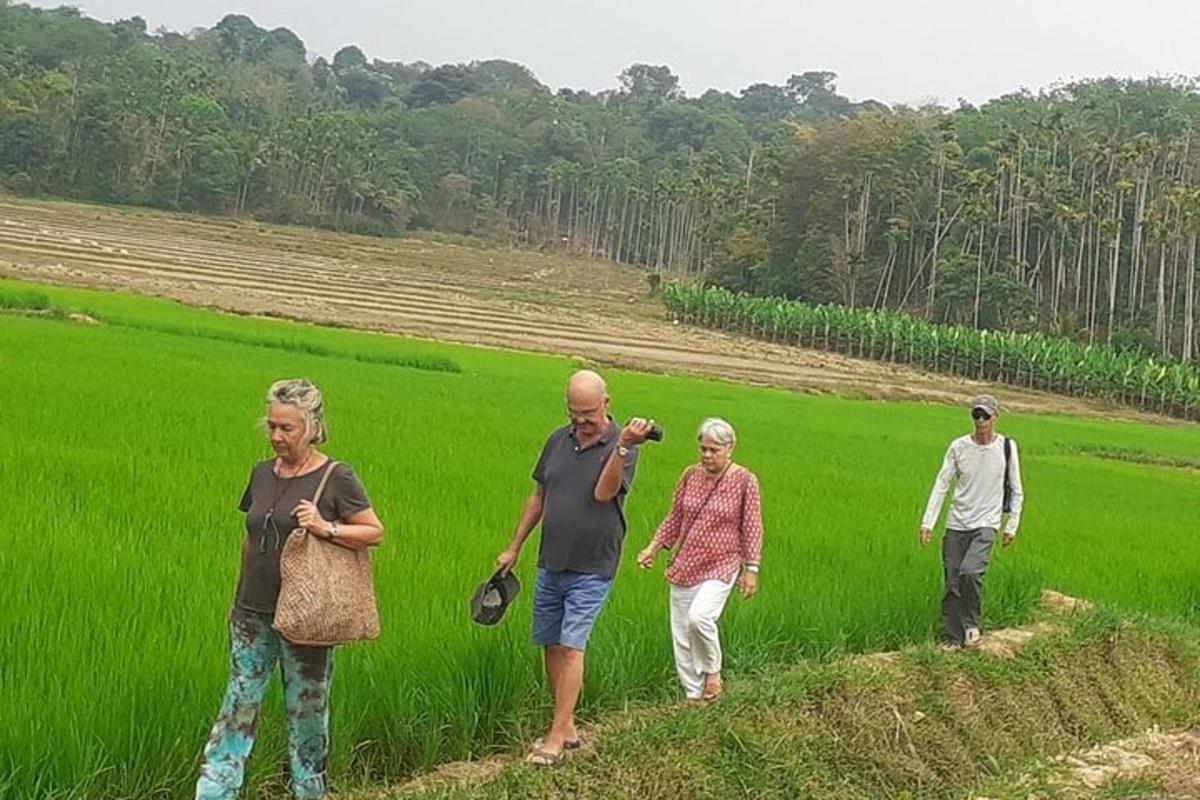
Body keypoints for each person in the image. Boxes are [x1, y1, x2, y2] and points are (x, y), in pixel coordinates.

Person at [196, 379, 384, 800]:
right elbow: (250, 537)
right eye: (272, 427)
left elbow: (374, 532)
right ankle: (214, 793)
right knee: (237, 707)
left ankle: (308, 791)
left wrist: (324, 526)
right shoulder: (261, 474)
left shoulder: (337, 477)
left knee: (307, 714)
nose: (277, 437)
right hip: (252, 614)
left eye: (288, 429)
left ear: (313, 426)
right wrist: (236, 601)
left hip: (305, 618)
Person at [495, 370, 653, 766]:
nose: (581, 420)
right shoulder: (557, 440)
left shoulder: (624, 446)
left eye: (588, 412)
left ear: (607, 404)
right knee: (550, 642)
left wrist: (622, 447)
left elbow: (604, 493)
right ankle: (565, 726)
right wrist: (514, 547)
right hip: (552, 558)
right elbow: (539, 494)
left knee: (571, 646)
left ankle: (555, 736)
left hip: (594, 563)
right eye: (574, 412)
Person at [636, 418, 763, 703]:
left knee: (700, 617)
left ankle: (713, 673)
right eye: (703, 449)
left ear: (729, 448)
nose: (706, 455)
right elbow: (676, 517)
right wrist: (653, 547)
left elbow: (752, 526)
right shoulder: (690, 476)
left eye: (714, 450)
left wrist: (751, 569)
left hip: (722, 563)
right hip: (686, 561)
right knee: (681, 634)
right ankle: (692, 696)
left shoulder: (745, 480)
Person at [919, 394, 1024, 649]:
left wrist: (1011, 525)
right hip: (957, 523)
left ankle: (972, 625)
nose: (980, 420)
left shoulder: (1006, 448)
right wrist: (928, 522)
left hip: (986, 523)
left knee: (970, 572)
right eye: (976, 415)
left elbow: (1017, 489)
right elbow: (941, 484)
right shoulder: (959, 447)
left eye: (985, 415)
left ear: (995, 417)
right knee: (952, 582)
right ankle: (953, 638)